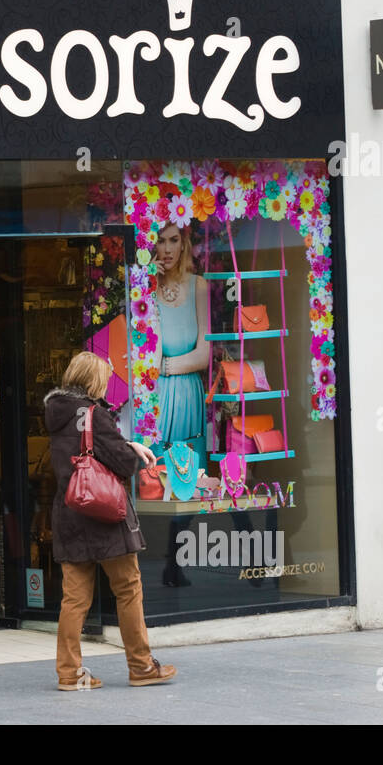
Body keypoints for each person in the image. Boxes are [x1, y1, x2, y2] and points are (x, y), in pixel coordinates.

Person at [44, 351, 178, 690]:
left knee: (74, 599)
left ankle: (69, 673)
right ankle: (142, 666)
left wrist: (124, 442)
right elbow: (123, 464)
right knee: (128, 588)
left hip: (69, 515)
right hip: (104, 515)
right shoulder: (95, 415)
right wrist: (131, 447)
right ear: (92, 380)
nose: (106, 385)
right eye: (103, 378)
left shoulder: (55, 415)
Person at [154, 223, 209, 586]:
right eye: (160, 239)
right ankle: (164, 559)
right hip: (158, 395)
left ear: (184, 243)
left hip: (187, 391)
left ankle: (174, 561)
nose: (168, 248)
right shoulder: (149, 290)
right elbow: (148, 352)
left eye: (174, 240)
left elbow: (205, 353)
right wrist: (148, 287)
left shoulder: (199, 286)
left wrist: (170, 368)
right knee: (155, 476)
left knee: (190, 477)